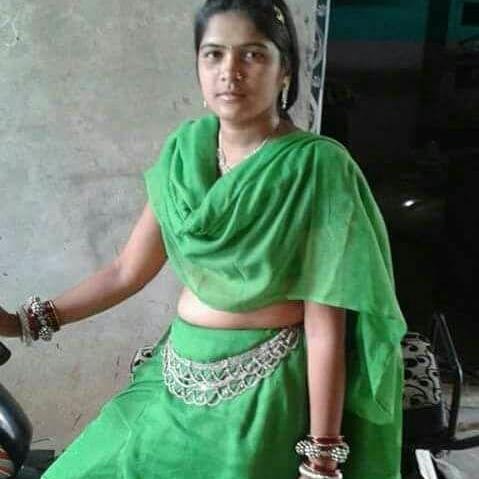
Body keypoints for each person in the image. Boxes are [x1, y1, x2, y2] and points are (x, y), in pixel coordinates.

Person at [0, 1, 407, 478]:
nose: (230, 71)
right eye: (214, 54)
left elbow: (324, 324)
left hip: (261, 396)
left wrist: (322, 453)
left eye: (253, 54)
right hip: (173, 377)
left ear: (285, 71)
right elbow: (126, 271)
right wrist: (21, 323)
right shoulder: (184, 152)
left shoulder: (318, 167)